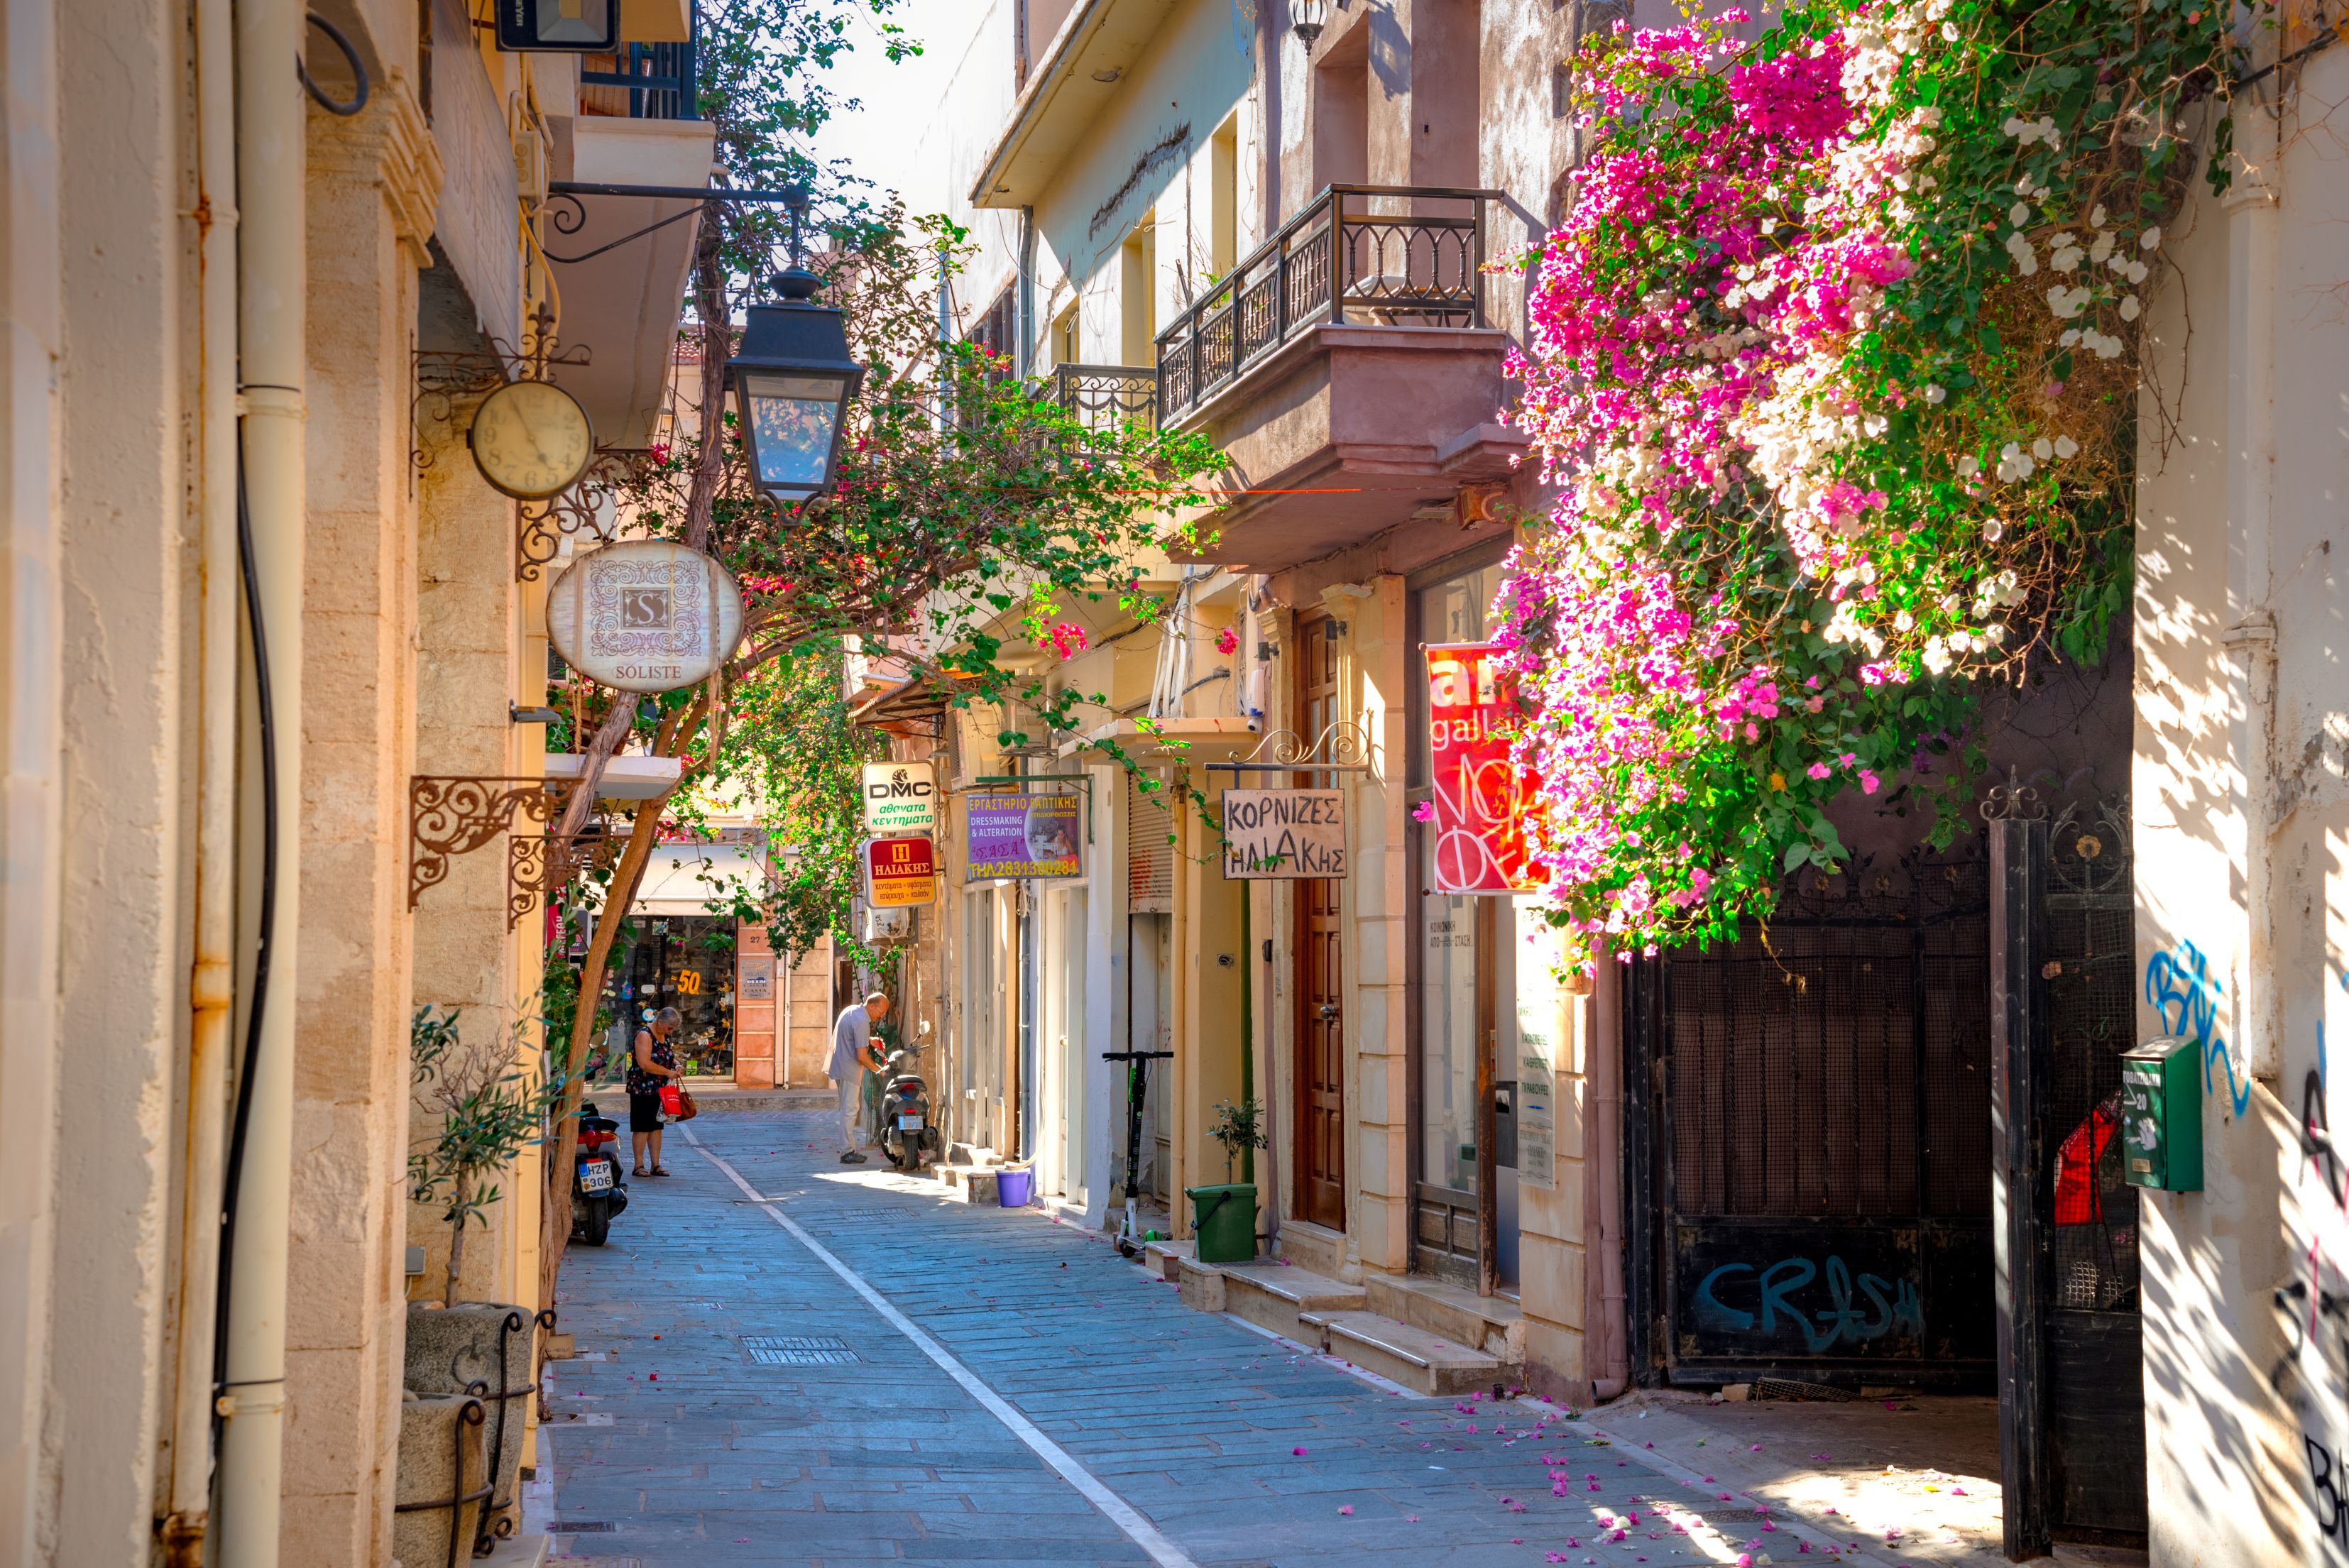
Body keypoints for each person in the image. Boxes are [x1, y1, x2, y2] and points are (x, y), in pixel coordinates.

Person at [828, 990, 889, 1164]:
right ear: (871, 1006)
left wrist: (870, 1040)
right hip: (850, 1071)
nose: (881, 1016)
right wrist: (880, 1070)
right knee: (850, 1110)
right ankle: (847, 1152)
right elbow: (861, 1056)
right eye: (881, 1012)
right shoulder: (863, 1021)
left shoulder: (851, 1011)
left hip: (840, 1067)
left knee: (848, 1109)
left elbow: (850, 1036)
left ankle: (849, 1149)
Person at [627, 1006, 684, 1178]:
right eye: (670, 1027)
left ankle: (656, 1165)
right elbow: (644, 1063)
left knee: (656, 1126)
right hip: (643, 1087)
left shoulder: (663, 1036)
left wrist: (676, 1064)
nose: (671, 1031)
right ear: (660, 1022)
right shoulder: (645, 1035)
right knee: (642, 1127)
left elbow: (667, 1056)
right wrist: (667, 1072)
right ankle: (638, 1165)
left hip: (659, 1088)